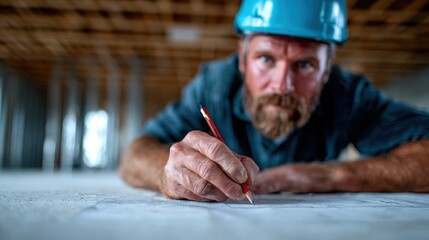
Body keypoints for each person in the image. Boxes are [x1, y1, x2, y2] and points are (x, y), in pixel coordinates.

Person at [119, 0, 429, 202]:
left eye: (305, 65)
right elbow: (136, 155)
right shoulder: (213, 88)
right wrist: (167, 172)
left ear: (327, 71)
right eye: (266, 59)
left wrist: (337, 175)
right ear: (242, 59)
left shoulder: (348, 96)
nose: (283, 85)